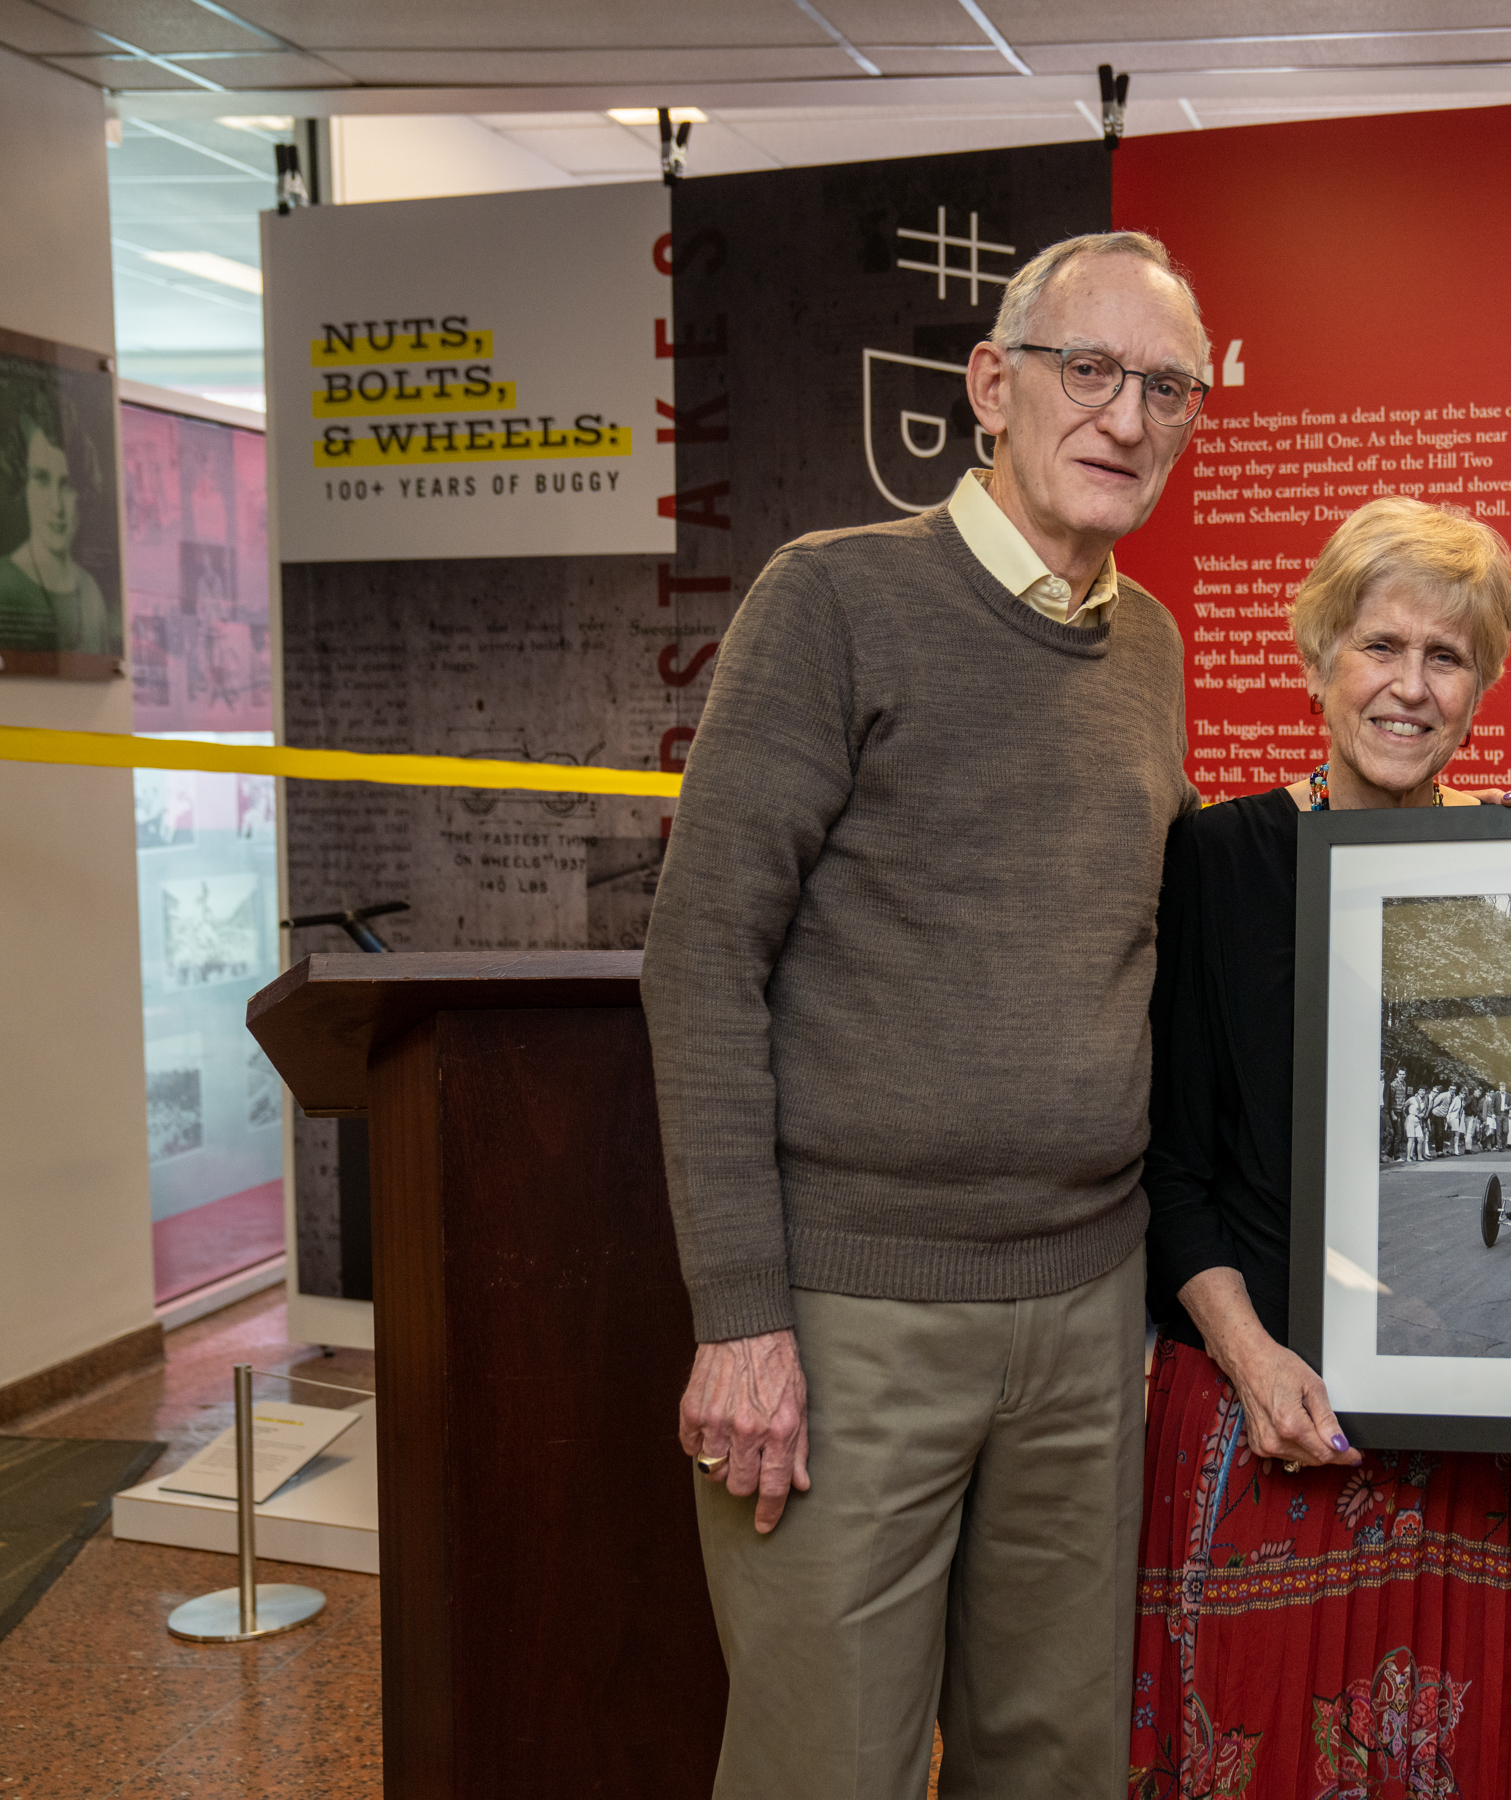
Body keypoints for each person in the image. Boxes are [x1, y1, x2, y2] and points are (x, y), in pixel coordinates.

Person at [641, 230, 1214, 1800]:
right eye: (1085, 369)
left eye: (1167, 387)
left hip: (1088, 1308)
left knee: (1056, 1762)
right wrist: (741, 1316)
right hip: (850, 1322)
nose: (1124, 415)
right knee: (832, 1764)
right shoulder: (832, 600)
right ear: (991, 387)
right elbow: (700, 958)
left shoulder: (1148, 647)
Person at [1134, 496, 1511, 1799]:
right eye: (1379, 645)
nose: (1409, 687)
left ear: (1481, 684)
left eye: (1446, 656)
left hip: (1483, 1441)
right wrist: (1253, 1360)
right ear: (1316, 660)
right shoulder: (1217, 862)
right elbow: (1172, 1173)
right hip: (1263, 1410)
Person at [0, 394, 114, 656]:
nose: (56, 506)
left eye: (67, 485)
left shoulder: (90, 592)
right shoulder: (3, 583)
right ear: (22, 484)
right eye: (41, 479)